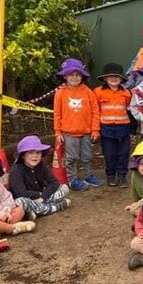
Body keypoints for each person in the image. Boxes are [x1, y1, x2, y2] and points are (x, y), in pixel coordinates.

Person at [53, 58, 102, 191]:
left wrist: (95, 129)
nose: (74, 77)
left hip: (86, 132)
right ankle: (72, 179)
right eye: (71, 74)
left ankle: (87, 175)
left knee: (87, 155)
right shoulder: (60, 93)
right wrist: (58, 132)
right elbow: (57, 114)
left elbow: (95, 111)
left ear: (82, 76)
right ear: (65, 76)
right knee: (71, 157)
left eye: (77, 74)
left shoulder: (87, 92)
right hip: (68, 133)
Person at [9, 135, 71, 219]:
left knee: (64, 188)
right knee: (20, 202)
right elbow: (21, 193)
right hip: (27, 199)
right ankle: (54, 207)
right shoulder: (16, 170)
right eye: (31, 152)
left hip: (41, 198)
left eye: (38, 152)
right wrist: (39, 194)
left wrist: (42, 198)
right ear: (23, 155)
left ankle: (37, 209)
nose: (35, 156)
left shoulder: (41, 165)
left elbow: (54, 182)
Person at [93, 63, 132, 188]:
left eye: (117, 76)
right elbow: (95, 111)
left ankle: (122, 176)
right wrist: (96, 129)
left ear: (121, 79)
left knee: (123, 153)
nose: (114, 79)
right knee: (109, 153)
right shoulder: (98, 92)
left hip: (123, 128)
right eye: (110, 76)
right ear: (105, 78)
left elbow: (130, 110)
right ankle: (110, 175)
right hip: (106, 128)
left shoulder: (126, 93)